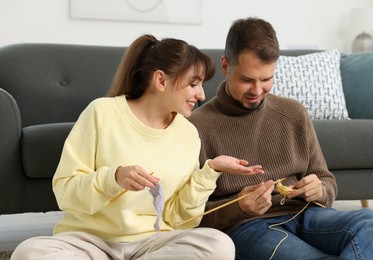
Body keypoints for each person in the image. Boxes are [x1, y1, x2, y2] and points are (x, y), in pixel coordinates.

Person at [11, 34, 264, 260]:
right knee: (30, 253)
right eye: (193, 83)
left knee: (218, 246)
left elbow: (178, 219)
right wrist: (114, 178)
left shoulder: (188, 133)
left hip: (151, 245)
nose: (201, 95)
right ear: (161, 80)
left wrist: (210, 171)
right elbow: (66, 194)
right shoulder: (102, 113)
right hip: (88, 242)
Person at [189, 17, 373, 259]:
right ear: (225, 66)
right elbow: (189, 215)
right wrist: (239, 207)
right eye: (246, 80)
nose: (257, 90)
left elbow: (326, 180)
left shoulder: (293, 113)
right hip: (250, 227)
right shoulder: (197, 126)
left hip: (308, 214)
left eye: (266, 79)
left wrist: (319, 190)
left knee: (372, 224)